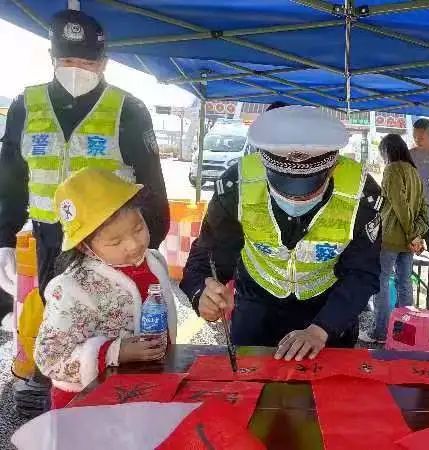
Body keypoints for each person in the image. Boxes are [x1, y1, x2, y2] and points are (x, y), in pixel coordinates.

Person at [0, 9, 170, 415]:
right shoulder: (27, 104)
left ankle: (117, 392)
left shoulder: (128, 108)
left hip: (112, 237)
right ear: (52, 58)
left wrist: (143, 243)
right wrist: (2, 237)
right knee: (59, 306)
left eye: (88, 62)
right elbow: (10, 175)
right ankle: (58, 381)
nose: (78, 69)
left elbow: (152, 180)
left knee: (120, 310)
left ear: (104, 62)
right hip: (50, 235)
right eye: (68, 61)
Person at [180, 105, 382, 361]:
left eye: (309, 188)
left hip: (328, 313)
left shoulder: (362, 195)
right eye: (283, 187)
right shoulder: (235, 187)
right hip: (256, 310)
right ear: (265, 166)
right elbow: (205, 257)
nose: (295, 198)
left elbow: (362, 273)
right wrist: (202, 293)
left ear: (332, 167)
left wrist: (322, 330)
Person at [34, 168, 177, 409]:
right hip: (87, 405)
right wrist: (113, 353)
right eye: (115, 241)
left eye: (138, 228)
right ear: (84, 247)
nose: (133, 245)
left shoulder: (154, 262)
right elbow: (49, 358)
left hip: (142, 394)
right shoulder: (72, 289)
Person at [360, 134, 429, 344]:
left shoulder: (392, 169)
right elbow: (421, 206)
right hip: (409, 240)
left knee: (381, 282)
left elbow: (399, 205)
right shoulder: (413, 171)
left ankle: (381, 332)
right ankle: (403, 331)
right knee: (404, 283)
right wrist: (416, 234)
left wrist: (411, 233)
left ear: (388, 151)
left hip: (391, 236)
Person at [410, 118, 429, 199]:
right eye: (414, 137)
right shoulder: (410, 155)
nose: (417, 141)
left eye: (421, 138)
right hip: (417, 204)